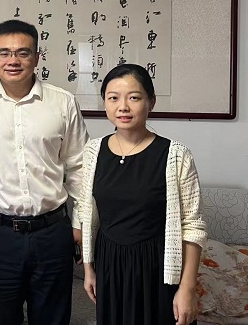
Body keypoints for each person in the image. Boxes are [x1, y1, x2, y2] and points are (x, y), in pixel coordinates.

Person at [0, 19, 89, 325]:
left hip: (53, 233)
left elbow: (80, 166)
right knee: (1, 318)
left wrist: (81, 222)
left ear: (37, 57)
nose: (13, 60)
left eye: (22, 52)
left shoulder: (62, 102)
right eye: (4, 53)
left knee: (53, 319)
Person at [80, 63, 207, 325]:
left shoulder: (176, 155)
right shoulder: (93, 151)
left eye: (134, 98)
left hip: (158, 268)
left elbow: (192, 226)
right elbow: (87, 215)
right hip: (110, 265)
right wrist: (89, 269)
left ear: (151, 102)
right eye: (113, 98)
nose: (123, 107)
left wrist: (187, 289)